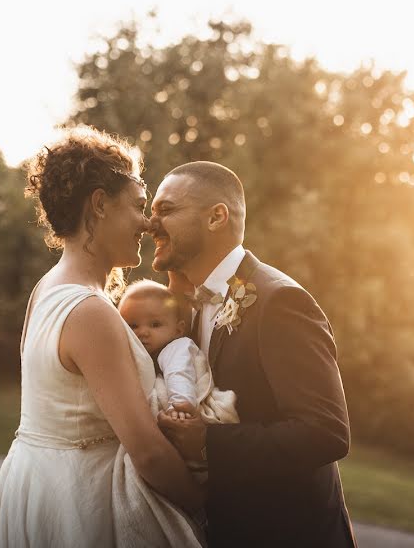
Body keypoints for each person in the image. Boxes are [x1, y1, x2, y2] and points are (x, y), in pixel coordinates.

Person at [0, 127, 204, 548]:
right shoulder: (90, 311)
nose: (148, 222)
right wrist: (206, 506)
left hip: (38, 483)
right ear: (100, 204)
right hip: (79, 505)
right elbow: (150, 453)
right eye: (140, 207)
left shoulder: (47, 289)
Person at [150, 161, 358, 548]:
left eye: (166, 209)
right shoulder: (185, 303)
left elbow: (326, 432)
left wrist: (207, 442)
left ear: (216, 217)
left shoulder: (281, 301)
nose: (150, 224)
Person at [118, 279, 239, 428]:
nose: (143, 332)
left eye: (155, 324)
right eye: (133, 326)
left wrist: (180, 405)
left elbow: (180, 374)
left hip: (185, 405)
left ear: (178, 330)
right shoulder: (140, 354)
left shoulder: (177, 347)